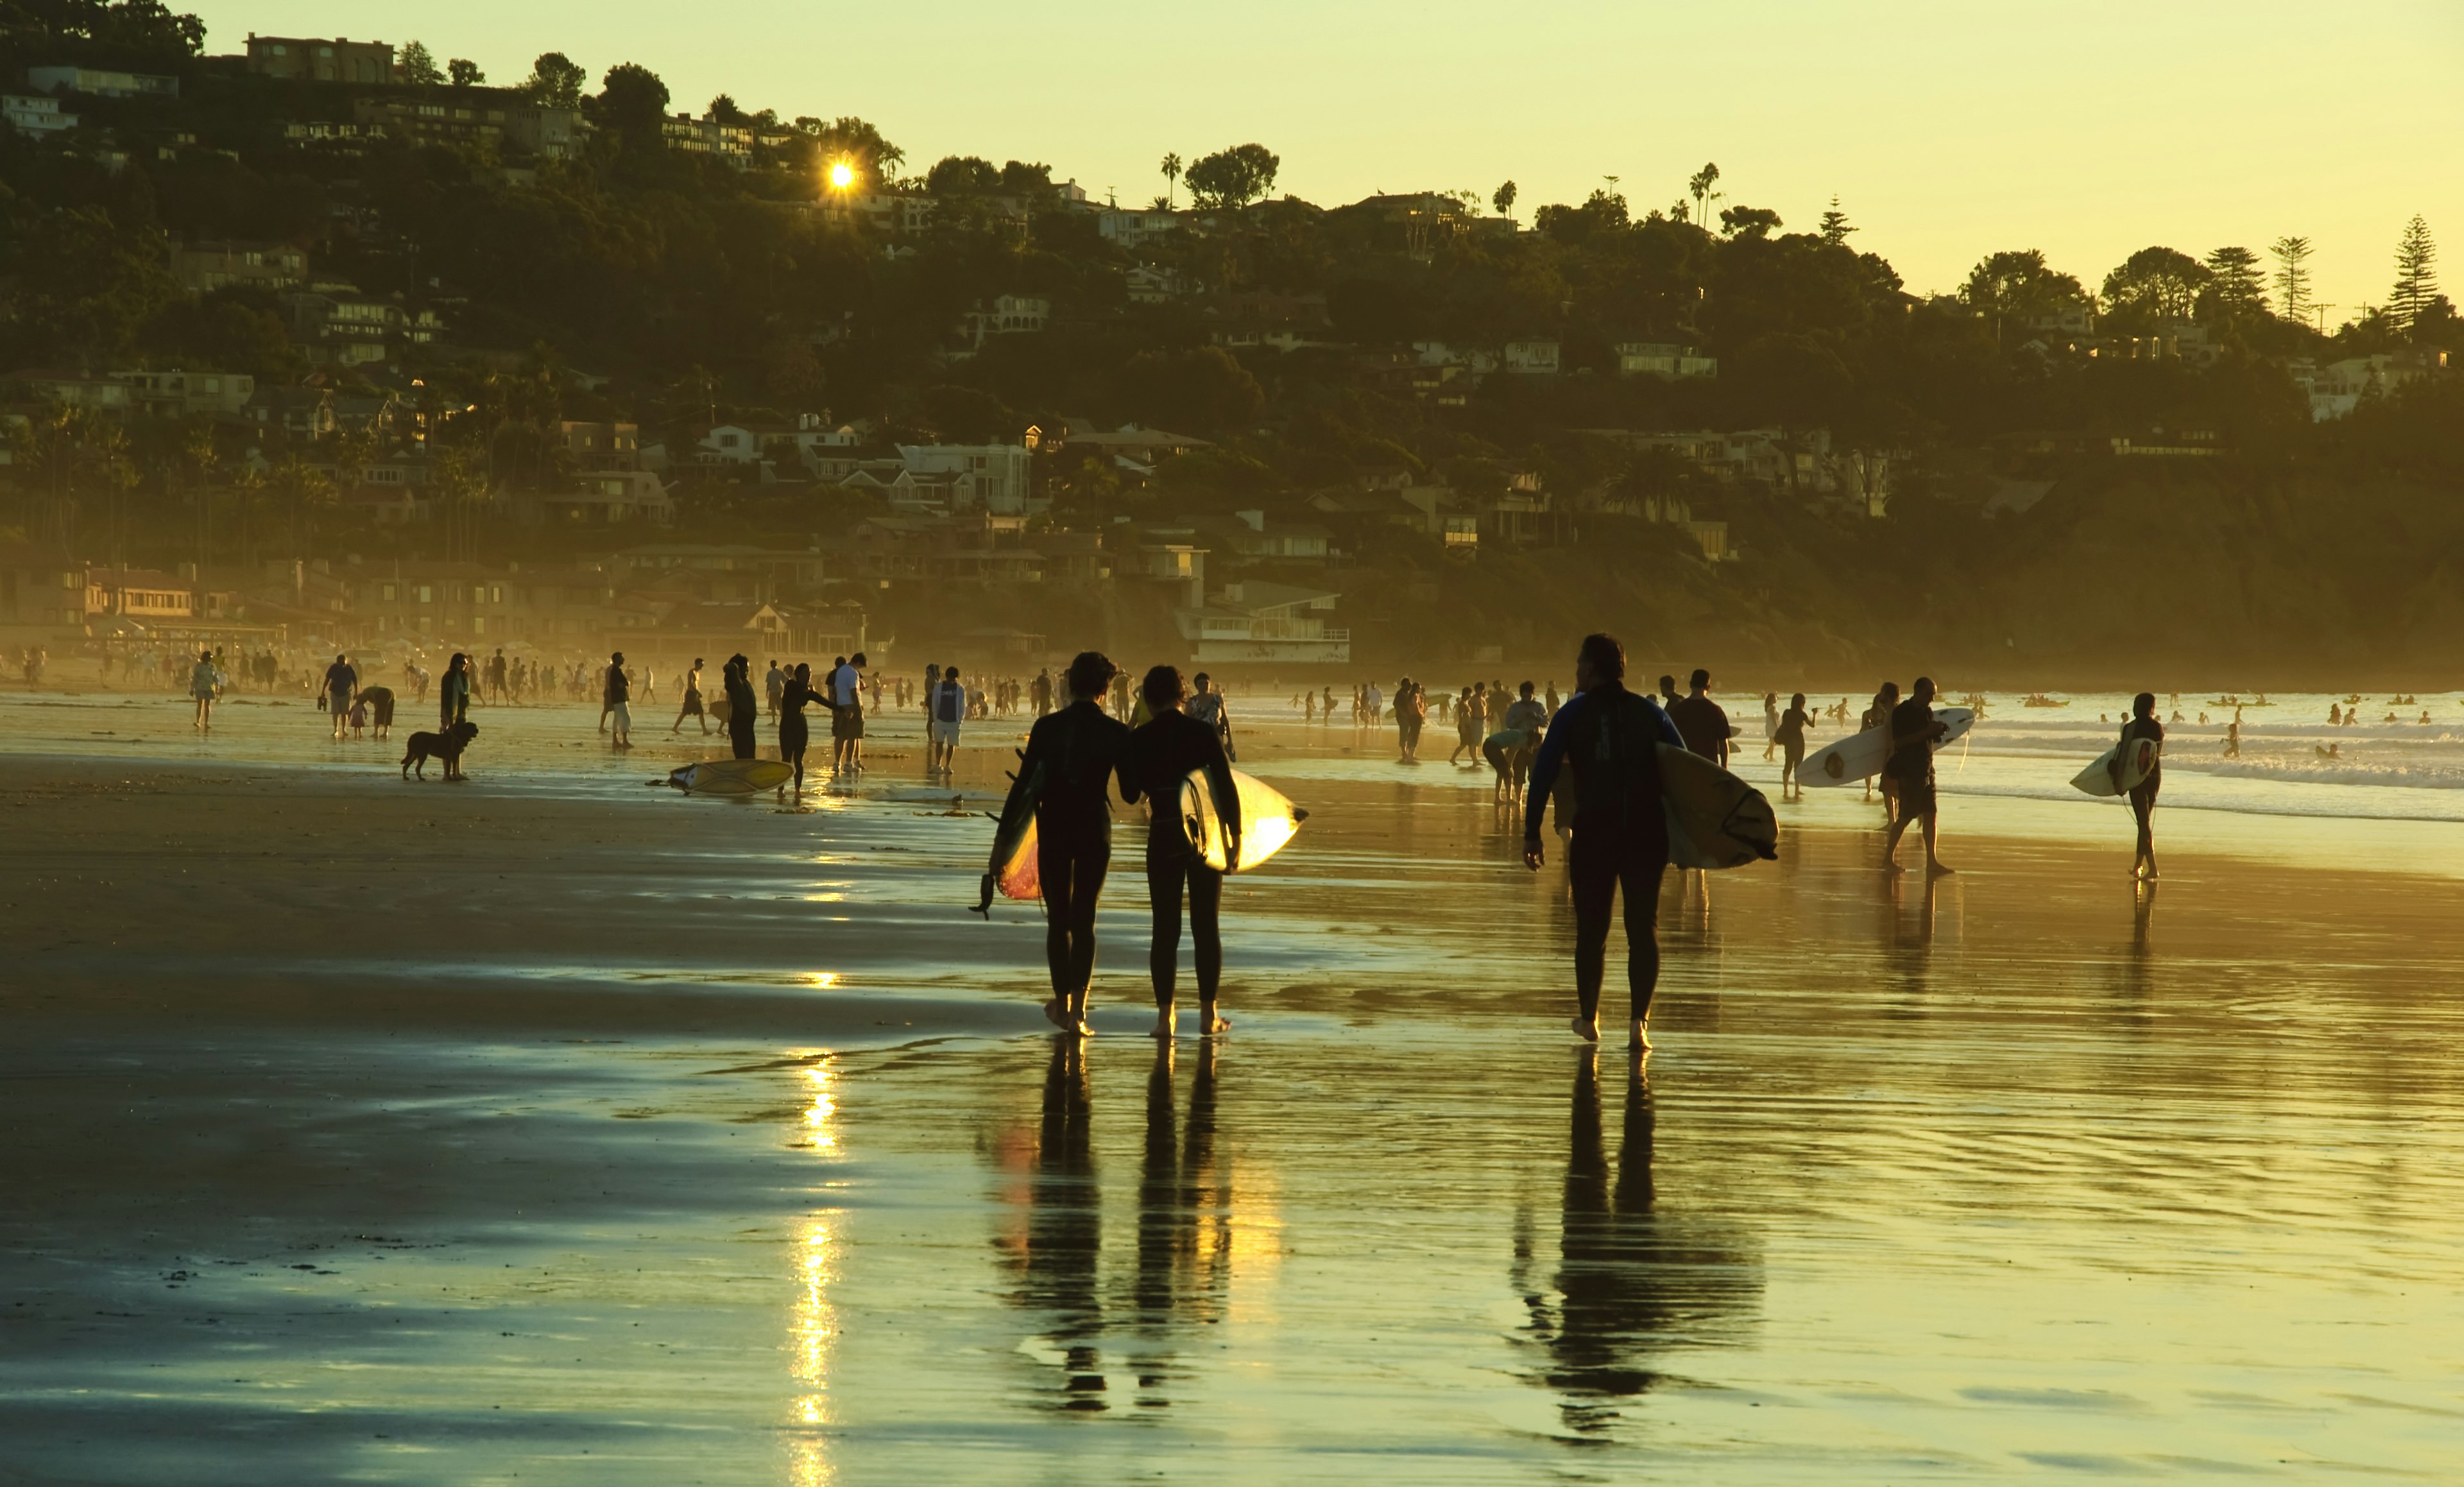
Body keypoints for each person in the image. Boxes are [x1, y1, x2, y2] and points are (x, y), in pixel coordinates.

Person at [1524, 634, 1685, 1050]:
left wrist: (1532, 832)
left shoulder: (1573, 713)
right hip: (1647, 834)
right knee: (1642, 926)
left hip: (1596, 830)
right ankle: (1639, 1024)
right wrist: (1690, 839)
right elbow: (1686, 773)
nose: (1575, 670)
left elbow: (1542, 773)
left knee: (1592, 929)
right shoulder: (1651, 713)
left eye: (1579, 663)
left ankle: (1590, 1016)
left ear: (1592, 668)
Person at [999, 652, 1133, 1036]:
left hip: (1055, 827)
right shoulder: (1115, 732)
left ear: (1070, 683)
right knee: (1085, 918)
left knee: (1059, 921)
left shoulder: (1046, 727)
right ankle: (1079, 1011)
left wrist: (1002, 846)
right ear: (1106, 688)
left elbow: (1023, 788)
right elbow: (1129, 792)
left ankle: (1060, 1003)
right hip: (1094, 828)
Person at [1128, 664, 1241, 1040]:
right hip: (1203, 838)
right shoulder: (1202, 732)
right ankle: (1209, 1015)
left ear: (1147, 698)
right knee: (1205, 927)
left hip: (1162, 836)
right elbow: (1226, 787)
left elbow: (1130, 794)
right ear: (1182, 696)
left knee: (1165, 930)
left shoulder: (1141, 738)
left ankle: (1165, 1020)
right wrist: (1235, 839)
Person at [1881, 676, 1953, 875]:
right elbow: (1900, 742)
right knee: (1905, 817)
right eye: (1930, 694)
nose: (1932, 698)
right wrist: (1926, 731)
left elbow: (1926, 736)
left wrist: (1937, 731)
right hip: (1911, 771)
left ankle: (1932, 862)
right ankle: (1887, 859)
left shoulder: (1926, 712)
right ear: (1918, 691)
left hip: (1927, 770)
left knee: (1931, 816)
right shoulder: (1902, 713)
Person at [2119, 692, 2164, 881]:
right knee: (2143, 822)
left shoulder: (2130, 728)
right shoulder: (2157, 727)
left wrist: (2118, 782)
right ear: (2152, 708)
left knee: (2144, 823)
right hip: (2153, 777)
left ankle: (2153, 868)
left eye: (2136, 704)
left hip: (2136, 778)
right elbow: (2156, 752)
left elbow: (2124, 756)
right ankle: (2138, 866)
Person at [1665, 668, 1731, 766]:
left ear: (1690, 684)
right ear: (1708, 687)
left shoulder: (1677, 710)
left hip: (1685, 765)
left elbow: (1670, 741)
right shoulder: (1716, 711)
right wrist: (1724, 768)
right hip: (1709, 767)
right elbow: (1723, 743)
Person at [780, 662, 818, 791]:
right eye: (806, 673)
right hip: (788, 725)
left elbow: (822, 700)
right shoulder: (791, 685)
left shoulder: (806, 689)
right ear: (798, 673)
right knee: (786, 760)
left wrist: (841, 709)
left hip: (800, 725)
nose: (808, 675)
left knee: (798, 761)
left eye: (810, 673)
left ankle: (797, 790)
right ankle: (781, 789)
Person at [1186, 671, 1236, 762]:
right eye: (1200, 683)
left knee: (1219, 763)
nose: (1204, 685)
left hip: (1216, 737)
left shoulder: (1218, 700)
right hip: (1198, 738)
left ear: (1210, 684)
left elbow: (1225, 719)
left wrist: (1230, 740)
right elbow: (1186, 723)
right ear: (1196, 686)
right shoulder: (1192, 702)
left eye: (1206, 683)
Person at [928, 664, 967, 775]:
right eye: (950, 678)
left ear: (956, 678)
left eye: (954, 679)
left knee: (951, 744)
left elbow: (962, 705)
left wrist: (960, 720)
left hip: (953, 721)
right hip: (940, 720)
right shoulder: (939, 687)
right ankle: (938, 764)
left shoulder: (959, 689)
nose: (952, 681)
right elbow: (935, 702)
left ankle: (948, 765)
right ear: (947, 677)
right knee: (939, 743)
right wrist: (935, 717)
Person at [1776, 692, 1811, 799]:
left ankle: (1786, 791)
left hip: (1789, 740)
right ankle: (1797, 790)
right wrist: (1815, 714)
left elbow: (1783, 725)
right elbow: (1812, 725)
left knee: (1788, 764)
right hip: (1799, 741)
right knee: (1798, 765)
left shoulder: (1787, 713)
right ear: (1802, 703)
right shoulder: (1802, 714)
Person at [724, 655, 758, 761]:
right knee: (743, 757)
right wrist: (733, 666)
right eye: (745, 668)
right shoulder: (735, 684)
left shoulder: (745, 683)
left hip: (749, 728)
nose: (747, 671)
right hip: (740, 727)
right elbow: (731, 669)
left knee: (750, 757)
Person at [321, 653, 357, 740]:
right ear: (337, 661)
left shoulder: (349, 668)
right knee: (335, 713)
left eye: (343, 662)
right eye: (340, 662)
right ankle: (335, 730)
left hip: (346, 692)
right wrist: (322, 691)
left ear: (346, 661)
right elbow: (327, 679)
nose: (342, 664)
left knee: (344, 713)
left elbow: (355, 680)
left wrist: (356, 692)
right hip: (335, 692)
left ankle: (344, 730)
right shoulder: (333, 668)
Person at [603, 651, 633, 748]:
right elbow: (622, 683)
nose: (623, 660)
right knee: (625, 718)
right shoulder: (616, 671)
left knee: (617, 720)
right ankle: (624, 741)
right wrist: (624, 683)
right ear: (617, 659)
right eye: (622, 658)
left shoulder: (614, 670)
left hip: (617, 698)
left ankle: (616, 741)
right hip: (620, 698)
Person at [672, 657, 710, 734]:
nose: (702, 667)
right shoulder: (691, 672)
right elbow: (691, 684)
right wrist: (698, 692)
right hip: (691, 695)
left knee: (699, 712)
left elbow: (696, 684)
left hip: (694, 695)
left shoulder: (697, 673)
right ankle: (675, 727)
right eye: (702, 665)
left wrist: (697, 693)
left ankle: (704, 730)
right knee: (685, 712)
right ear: (698, 664)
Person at [189, 649, 219, 731]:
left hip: (209, 688)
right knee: (200, 705)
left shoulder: (212, 666)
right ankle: (198, 722)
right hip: (199, 687)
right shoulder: (199, 666)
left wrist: (217, 687)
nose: (210, 659)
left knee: (207, 706)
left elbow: (215, 677)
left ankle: (206, 723)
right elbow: (195, 678)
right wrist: (192, 689)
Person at [1761, 691, 1781, 761]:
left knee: (1773, 742)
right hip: (1772, 726)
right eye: (1775, 697)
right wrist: (1777, 726)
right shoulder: (1772, 707)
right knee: (1773, 742)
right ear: (1772, 699)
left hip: (1770, 726)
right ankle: (1770, 757)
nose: (1776, 698)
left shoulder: (1769, 707)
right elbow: (1773, 718)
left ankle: (1766, 754)